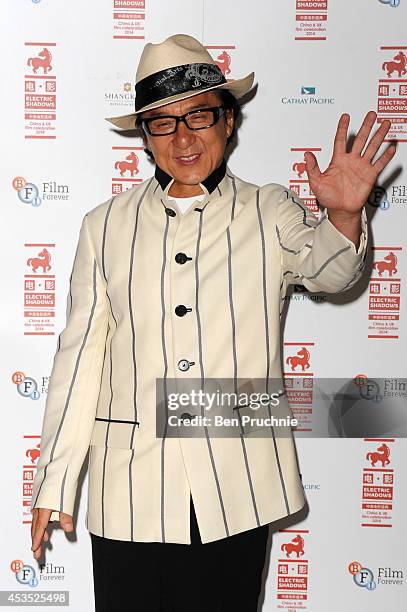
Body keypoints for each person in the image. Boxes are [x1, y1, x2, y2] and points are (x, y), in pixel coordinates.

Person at [30, 34, 396, 611]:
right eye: (163, 123)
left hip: (237, 482)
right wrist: (54, 480)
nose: (184, 138)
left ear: (228, 122)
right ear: (144, 138)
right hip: (130, 487)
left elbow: (330, 272)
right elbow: (79, 360)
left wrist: (345, 215)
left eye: (199, 115)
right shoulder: (103, 226)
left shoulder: (269, 208)